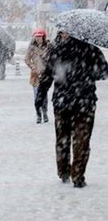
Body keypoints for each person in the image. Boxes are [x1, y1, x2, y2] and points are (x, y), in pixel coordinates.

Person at [36, 32, 108, 188]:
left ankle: (63, 171)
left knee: (63, 138)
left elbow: (47, 74)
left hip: (62, 102)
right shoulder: (92, 50)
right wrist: (87, 72)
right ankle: (78, 175)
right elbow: (103, 73)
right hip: (85, 102)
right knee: (82, 140)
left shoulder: (58, 50)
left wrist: (41, 94)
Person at [24, 28, 51, 124]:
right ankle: (38, 114)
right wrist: (33, 66)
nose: (38, 39)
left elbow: (52, 58)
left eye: (40, 36)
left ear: (43, 37)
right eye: (36, 37)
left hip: (45, 74)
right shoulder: (31, 47)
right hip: (35, 74)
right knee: (37, 95)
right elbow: (26, 59)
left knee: (44, 95)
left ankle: (45, 112)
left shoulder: (48, 46)